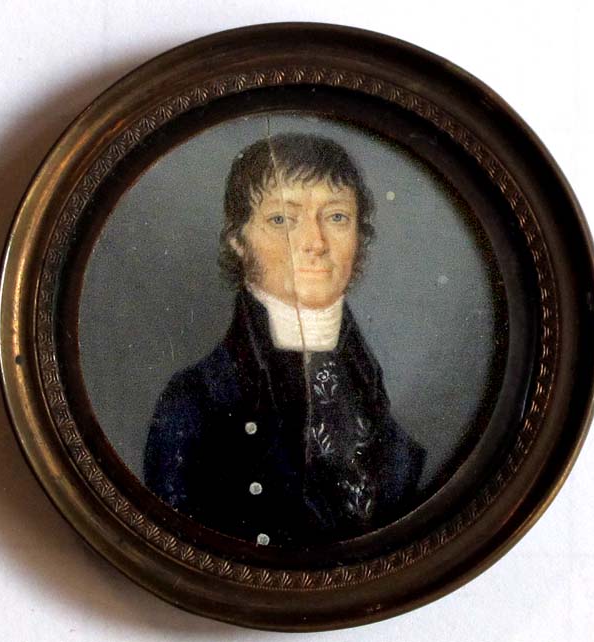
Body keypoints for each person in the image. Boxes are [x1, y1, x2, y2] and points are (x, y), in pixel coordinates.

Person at [144, 133, 425, 547]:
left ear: (358, 236)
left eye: (336, 217)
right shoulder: (195, 401)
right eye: (282, 220)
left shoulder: (376, 396)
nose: (315, 243)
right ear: (238, 241)